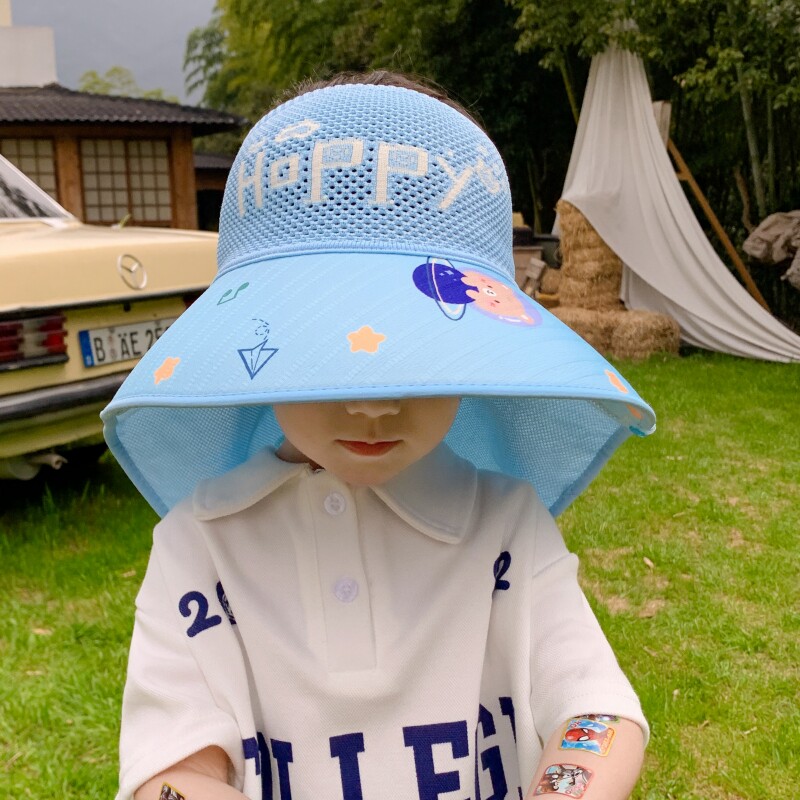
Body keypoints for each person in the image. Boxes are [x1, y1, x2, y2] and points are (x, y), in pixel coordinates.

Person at [102, 71, 657, 800]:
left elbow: (596, 712)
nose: (373, 403)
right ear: (259, 336)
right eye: (327, 345)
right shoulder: (198, 546)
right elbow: (174, 767)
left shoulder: (506, 528)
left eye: (419, 347)